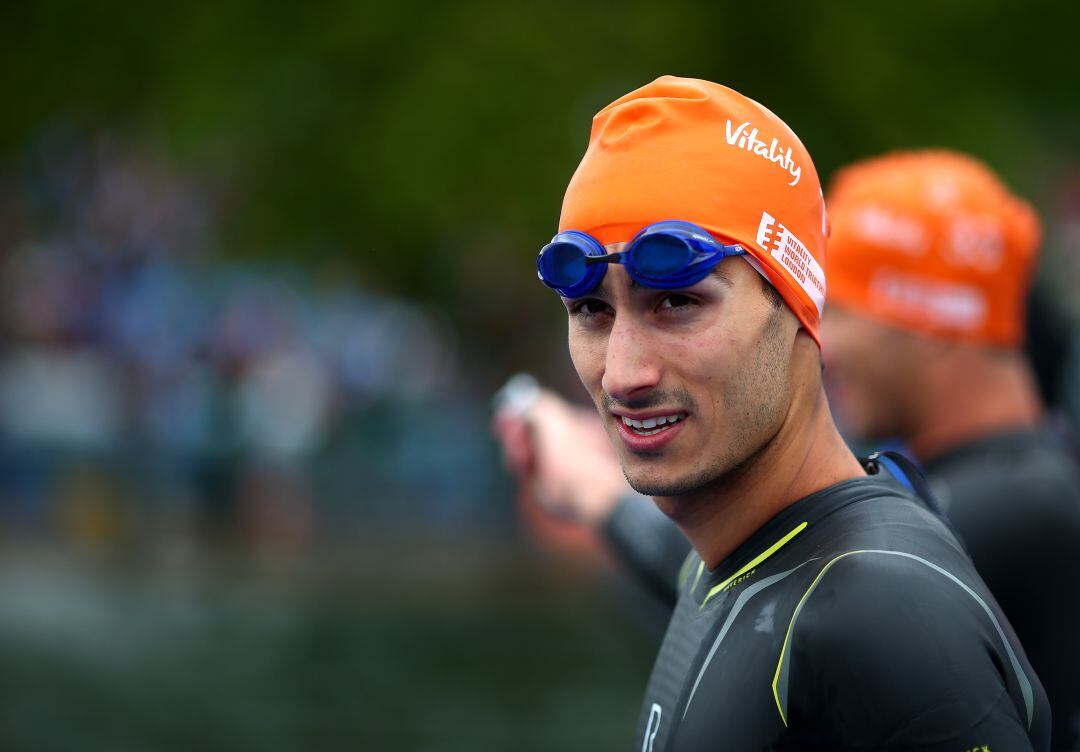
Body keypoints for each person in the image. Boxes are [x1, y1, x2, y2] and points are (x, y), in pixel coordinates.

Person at [516, 75, 1050, 751]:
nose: (624, 373)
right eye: (591, 310)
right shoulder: (741, 565)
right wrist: (588, 491)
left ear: (800, 307)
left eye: (677, 302)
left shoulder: (885, 610)